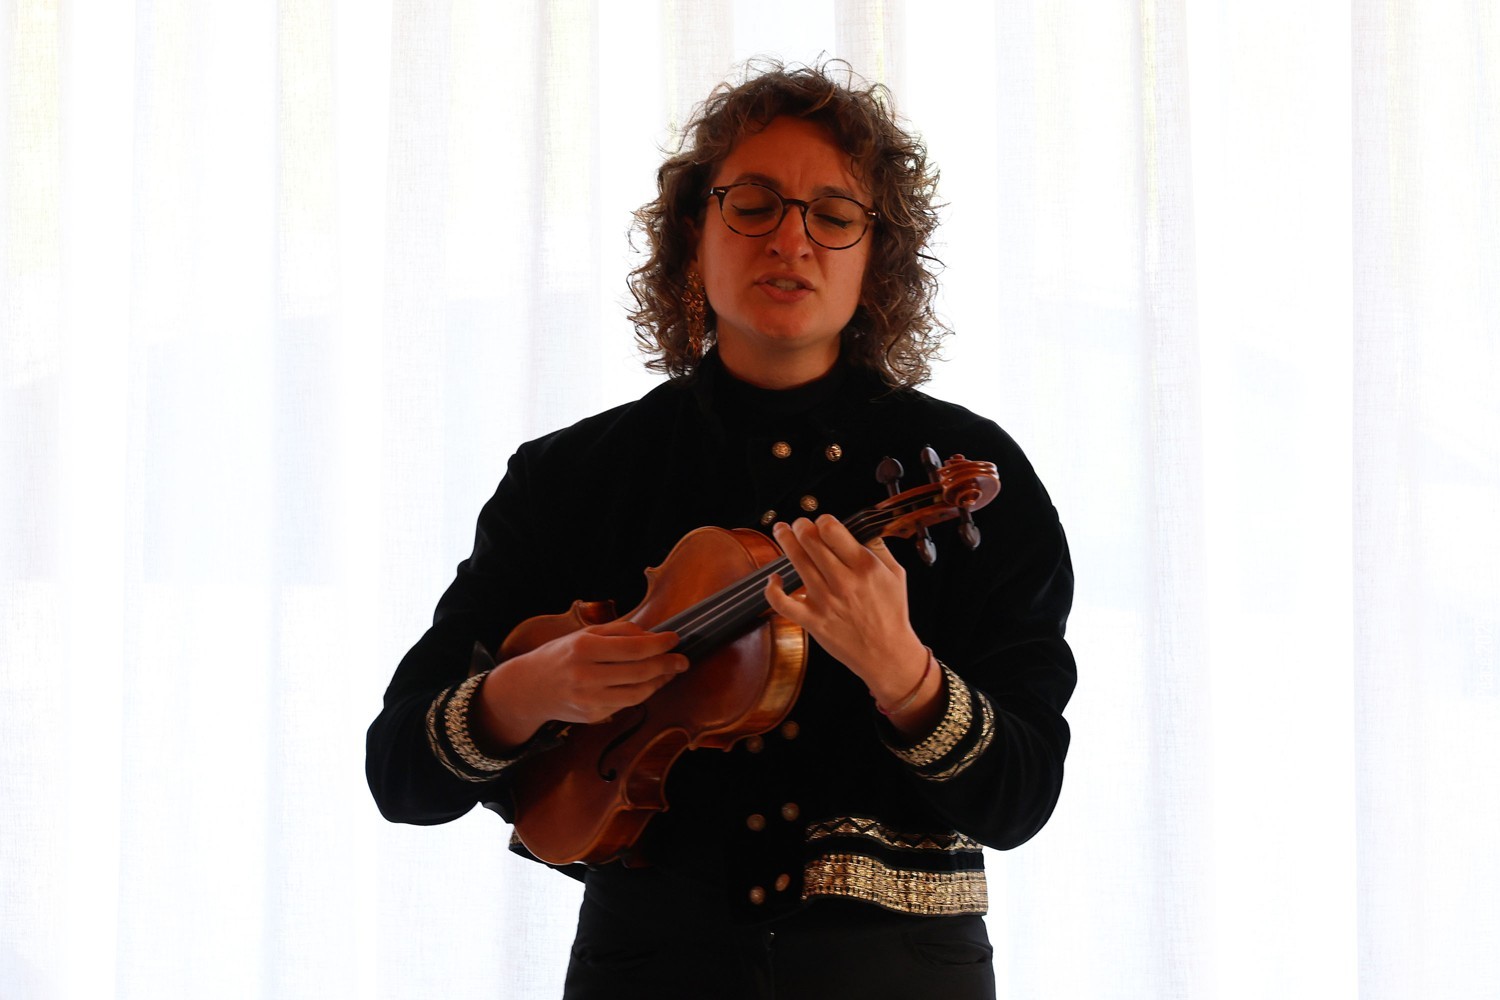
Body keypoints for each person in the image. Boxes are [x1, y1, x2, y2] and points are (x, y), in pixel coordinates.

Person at [366, 60, 1075, 999]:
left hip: (898, 974)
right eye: (753, 205)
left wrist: (906, 676)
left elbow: (1022, 799)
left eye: (834, 215)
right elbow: (399, 773)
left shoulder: (969, 472)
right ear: (692, 236)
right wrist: (526, 688)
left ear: (877, 257)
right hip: (647, 969)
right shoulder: (571, 477)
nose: (792, 238)